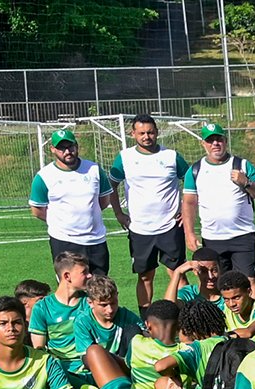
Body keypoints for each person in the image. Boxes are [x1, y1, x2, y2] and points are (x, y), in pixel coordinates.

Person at [109, 114, 188, 308]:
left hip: (170, 226)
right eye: (142, 133)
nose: (147, 137)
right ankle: (146, 320)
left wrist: (186, 211)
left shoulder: (171, 156)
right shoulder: (125, 157)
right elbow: (111, 185)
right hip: (140, 229)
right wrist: (119, 213)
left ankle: (185, 317)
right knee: (145, 276)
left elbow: (193, 182)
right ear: (133, 134)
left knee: (178, 274)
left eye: (151, 132)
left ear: (157, 133)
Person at [181, 124, 255, 283]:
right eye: (210, 140)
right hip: (212, 238)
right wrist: (189, 234)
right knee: (217, 282)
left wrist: (246, 183)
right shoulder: (195, 170)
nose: (215, 144)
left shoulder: (241, 165)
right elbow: (188, 204)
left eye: (218, 139)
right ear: (203, 144)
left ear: (225, 141)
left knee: (249, 281)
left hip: (242, 235)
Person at [28, 128, 118, 274]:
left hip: (95, 241)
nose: (67, 151)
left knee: (100, 291)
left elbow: (103, 201)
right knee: (71, 291)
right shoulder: (44, 176)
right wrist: (63, 223)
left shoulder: (94, 169)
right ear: (52, 149)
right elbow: (37, 211)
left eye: (70, 146)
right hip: (64, 242)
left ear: (77, 146)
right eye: (61, 148)